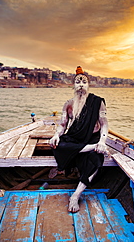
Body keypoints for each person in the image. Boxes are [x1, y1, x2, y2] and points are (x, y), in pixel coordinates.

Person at [49, 66, 109, 213]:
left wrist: (102, 141)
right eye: (78, 82)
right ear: (73, 86)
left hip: (92, 138)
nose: (81, 84)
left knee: (96, 159)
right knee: (58, 144)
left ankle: (76, 195)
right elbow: (62, 125)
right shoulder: (68, 104)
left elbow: (104, 125)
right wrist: (56, 135)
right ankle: (90, 147)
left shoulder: (97, 102)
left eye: (84, 82)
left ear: (88, 85)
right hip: (75, 138)